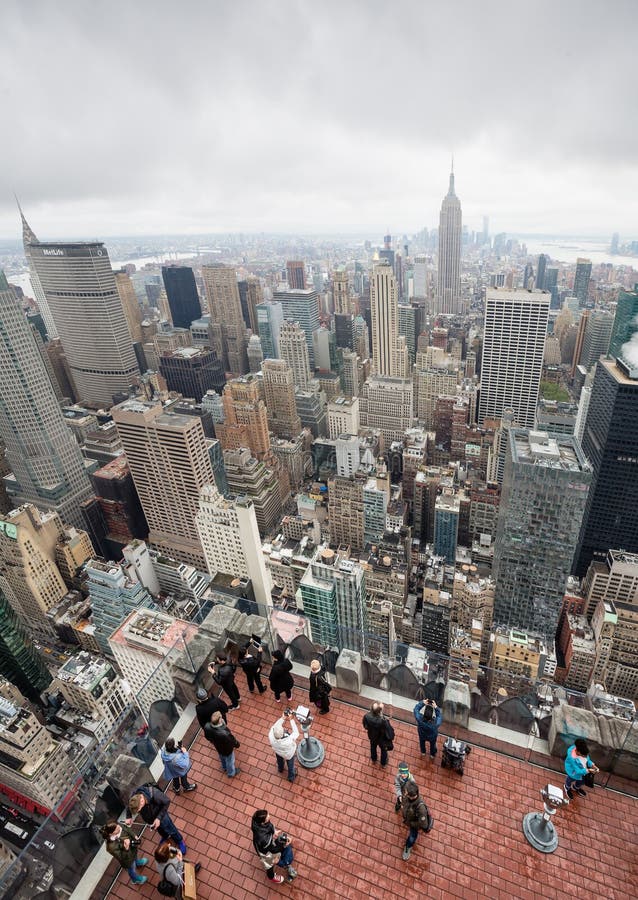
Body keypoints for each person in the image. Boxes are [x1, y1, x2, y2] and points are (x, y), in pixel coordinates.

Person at [126, 784, 187, 855]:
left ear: (142, 801)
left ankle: (179, 840)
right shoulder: (134, 797)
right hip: (150, 818)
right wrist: (128, 816)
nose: (139, 811)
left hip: (161, 815)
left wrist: (158, 818)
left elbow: (167, 801)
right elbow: (129, 805)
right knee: (159, 829)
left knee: (170, 828)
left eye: (139, 809)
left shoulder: (156, 794)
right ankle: (165, 836)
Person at [251, 808, 298, 884]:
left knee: (275, 854)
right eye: (267, 816)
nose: (269, 816)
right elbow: (273, 850)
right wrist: (283, 847)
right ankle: (271, 877)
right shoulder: (264, 840)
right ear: (263, 822)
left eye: (268, 814)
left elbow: (268, 825)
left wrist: (274, 832)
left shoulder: (256, 821)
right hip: (265, 853)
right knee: (269, 865)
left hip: (262, 845)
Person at [100, 820, 148, 885]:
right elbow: (122, 858)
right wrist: (126, 848)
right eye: (117, 829)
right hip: (128, 860)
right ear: (111, 834)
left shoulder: (117, 826)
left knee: (135, 856)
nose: (120, 827)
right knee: (131, 869)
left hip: (132, 849)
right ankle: (135, 879)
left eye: (118, 825)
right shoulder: (111, 847)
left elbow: (127, 829)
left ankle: (137, 862)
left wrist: (134, 835)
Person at [401, 781, 433, 860]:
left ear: (411, 795)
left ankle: (408, 847)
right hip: (408, 818)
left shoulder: (421, 809)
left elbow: (423, 824)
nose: (404, 793)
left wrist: (411, 824)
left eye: (406, 792)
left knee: (412, 836)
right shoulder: (407, 797)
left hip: (413, 824)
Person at [203, 710, 241, 777]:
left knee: (222, 756)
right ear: (219, 720)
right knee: (230, 761)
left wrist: (213, 741)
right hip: (227, 749)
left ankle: (224, 767)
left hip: (218, 746)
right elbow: (232, 740)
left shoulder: (207, 726)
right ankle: (231, 773)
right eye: (221, 717)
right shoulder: (224, 733)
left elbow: (207, 737)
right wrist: (237, 744)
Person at [268, 710, 300, 782]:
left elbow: (275, 726)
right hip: (288, 755)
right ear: (282, 734)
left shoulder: (271, 734)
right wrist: (291, 719)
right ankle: (291, 777)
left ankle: (280, 769)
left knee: (279, 760)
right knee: (290, 765)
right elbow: (296, 733)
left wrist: (283, 718)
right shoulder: (287, 741)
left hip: (277, 751)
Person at [362, 701, 394, 767]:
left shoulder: (367, 716)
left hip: (372, 736)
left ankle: (374, 759)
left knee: (373, 747)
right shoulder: (383, 721)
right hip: (382, 738)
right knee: (383, 750)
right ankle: (383, 763)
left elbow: (365, 726)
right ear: (380, 712)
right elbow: (389, 731)